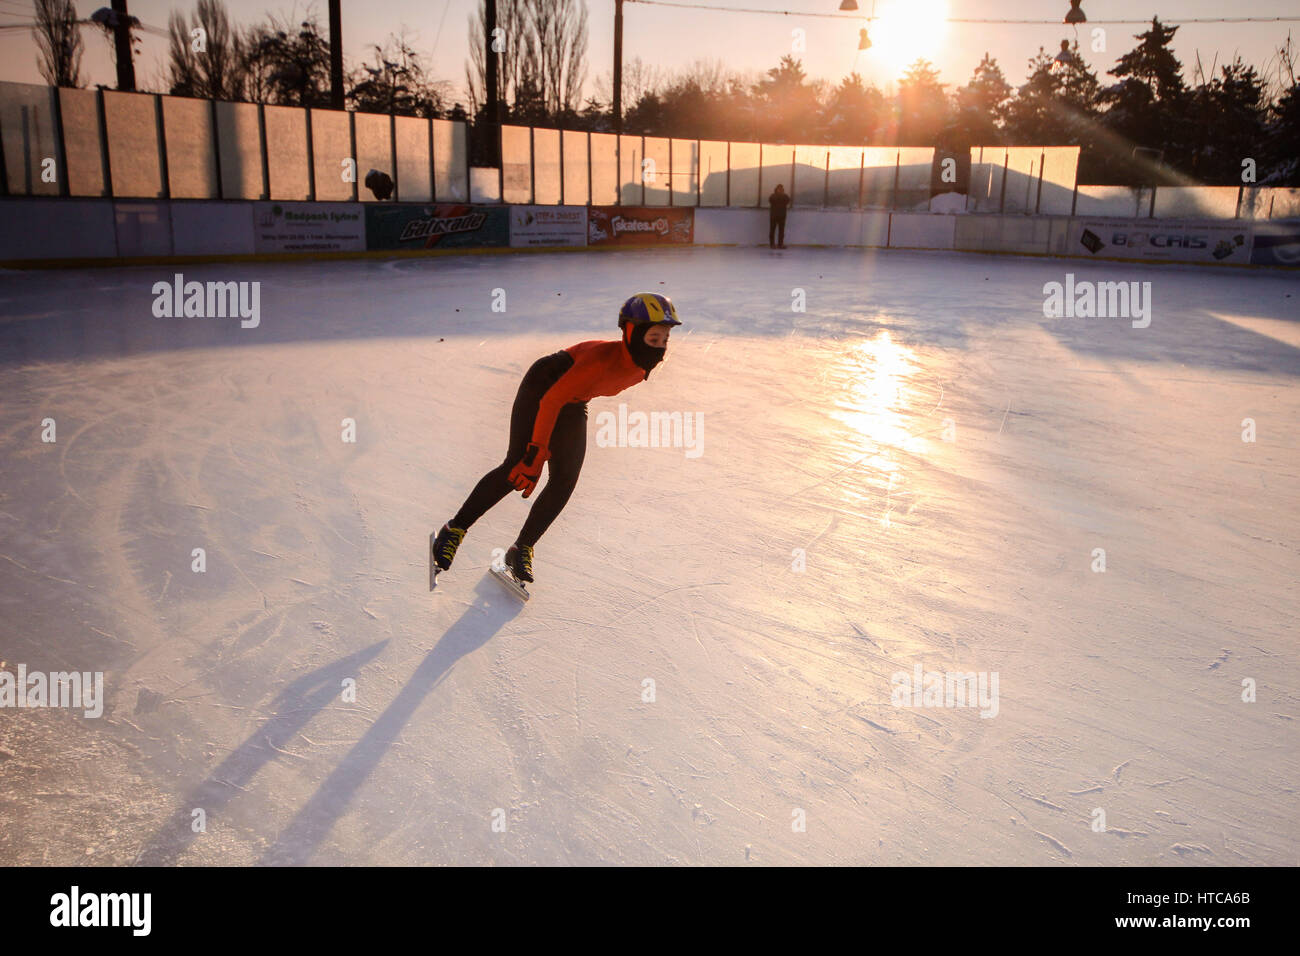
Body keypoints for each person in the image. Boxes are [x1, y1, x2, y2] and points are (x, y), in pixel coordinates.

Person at [431, 293, 681, 584]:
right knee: (517, 468)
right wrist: (535, 454)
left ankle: (520, 549)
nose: (660, 349)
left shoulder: (640, 370)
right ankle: (454, 530)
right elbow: (550, 401)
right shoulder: (599, 361)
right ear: (630, 333)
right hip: (544, 387)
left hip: (573, 401)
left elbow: (572, 399)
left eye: (664, 340)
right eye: (653, 339)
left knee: (566, 478)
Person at [768, 183, 791, 248]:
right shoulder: (773, 196)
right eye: (779, 189)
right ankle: (772, 244)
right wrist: (780, 196)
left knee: (781, 231)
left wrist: (781, 195)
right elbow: (771, 200)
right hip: (774, 216)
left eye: (781, 189)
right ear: (776, 189)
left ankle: (780, 244)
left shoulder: (784, 196)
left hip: (781, 216)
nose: (780, 190)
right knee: (772, 230)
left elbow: (788, 200)